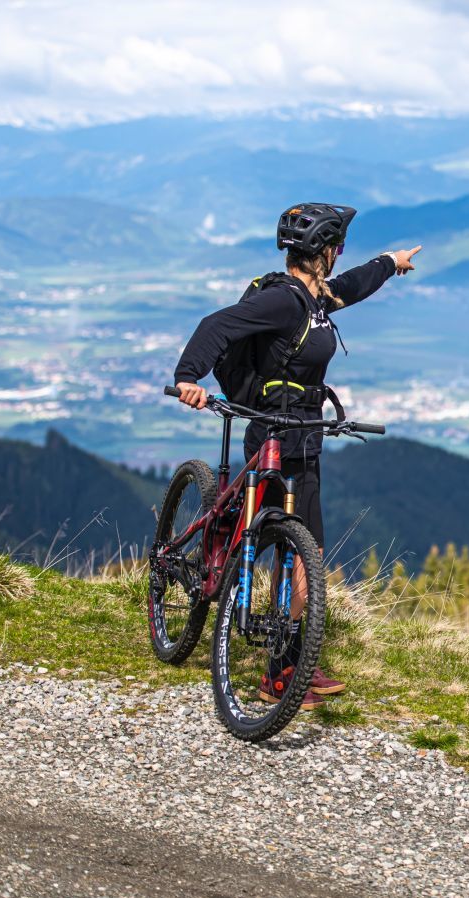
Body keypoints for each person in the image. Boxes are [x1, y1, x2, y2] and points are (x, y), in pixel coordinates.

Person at [172, 202, 422, 710]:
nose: (338, 255)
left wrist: (390, 264)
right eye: (336, 247)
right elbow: (217, 325)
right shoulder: (284, 302)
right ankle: (214, 574)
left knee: (305, 553)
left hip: (306, 436)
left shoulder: (318, 298)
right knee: (253, 534)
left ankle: (283, 665)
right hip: (270, 433)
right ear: (323, 250)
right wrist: (187, 378)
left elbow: (350, 287)